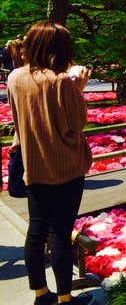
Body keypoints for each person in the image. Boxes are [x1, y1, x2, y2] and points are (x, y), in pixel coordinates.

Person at [7, 22, 94, 305]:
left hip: (33, 166)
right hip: (65, 167)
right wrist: (78, 87)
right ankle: (66, 299)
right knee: (60, 233)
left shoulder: (15, 77)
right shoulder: (60, 82)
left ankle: (41, 295)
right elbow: (77, 124)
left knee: (36, 231)